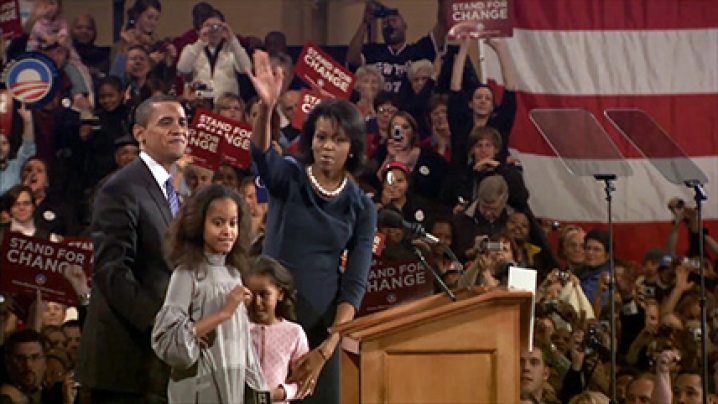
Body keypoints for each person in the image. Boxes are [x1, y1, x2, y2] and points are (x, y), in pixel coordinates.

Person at [249, 50, 376, 403]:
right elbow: (262, 156)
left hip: (321, 334)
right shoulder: (289, 176)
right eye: (321, 137)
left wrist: (328, 346)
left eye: (337, 140)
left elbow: (354, 284)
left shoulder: (361, 206)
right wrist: (266, 108)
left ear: (352, 148)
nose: (327, 147)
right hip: (270, 321)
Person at [77, 94, 188, 403]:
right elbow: (112, 270)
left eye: (182, 122)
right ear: (140, 134)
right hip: (125, 361)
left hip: (157, 363)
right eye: (166, 123)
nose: (178, 129)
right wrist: (161, 325)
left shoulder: (173, 192)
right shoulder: (120, 188)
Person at [151, 184, 266, 403]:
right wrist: (222, 315)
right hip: (198, 387)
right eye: (218, 223)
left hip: (232, 385)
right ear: (198, 225)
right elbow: (167, 340)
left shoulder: (234, 274)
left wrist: (259, 389)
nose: (227, 231)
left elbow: (243, 343)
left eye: (233, 223)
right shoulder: (186, 275)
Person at [346, 0, 448, 93]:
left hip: (410, 107)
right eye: (385, 23)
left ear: (405, 25)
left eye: (394, 20)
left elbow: (442, 25)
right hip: (380, 108)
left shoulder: (418, 50)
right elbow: (352, 59)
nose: (390, 24)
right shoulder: (373, 51)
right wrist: (364, 23)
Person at [246, 255, 310, 403]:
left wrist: (278, 394)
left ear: (279, 294)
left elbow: (303, 382)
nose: (257, 302)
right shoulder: (237, 330)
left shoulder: (294, 333)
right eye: (251, 295)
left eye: (264, 295)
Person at [176, 8, 251, 102]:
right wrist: (200, 42)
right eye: (208, 26)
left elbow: (246, 69)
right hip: (200, 103)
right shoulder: (192, 49)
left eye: (217, 26)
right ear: (201, 28)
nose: (213, 30)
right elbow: (182, 68)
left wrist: (232, 39)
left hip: (225, 105)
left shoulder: (232, 50)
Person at [0, 103, 35, 196]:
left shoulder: (15, 167)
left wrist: (28, 121)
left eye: (4, 143)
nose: (0, 148)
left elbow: (28, 148)